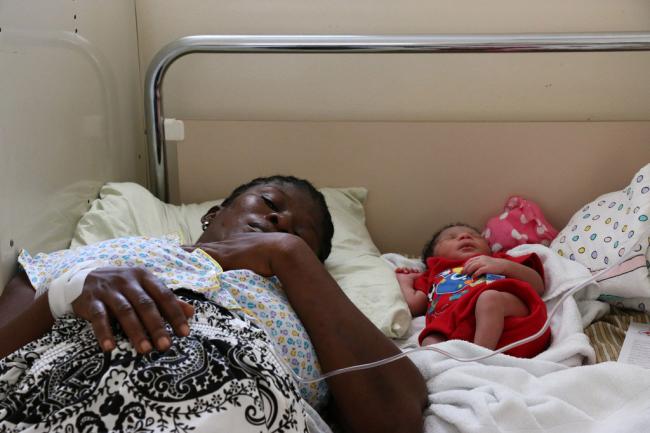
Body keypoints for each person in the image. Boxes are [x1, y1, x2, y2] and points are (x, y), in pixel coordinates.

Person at [0, 175, 426, 433]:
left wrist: (290, 256)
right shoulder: (111, 254)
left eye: (300, 235)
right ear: (214, 213)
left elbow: (398, 420)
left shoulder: (312, 309)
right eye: (271, 204)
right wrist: (70, 290)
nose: (279, 221)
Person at [396, 223, 551, 357]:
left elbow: (538, 286)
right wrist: (405, 280)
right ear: (432, 256)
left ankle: (479, 359)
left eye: (475, 235)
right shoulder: (433, 274)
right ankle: (455, 367)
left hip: (514, 321)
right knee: (430, 340)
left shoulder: (498, 260)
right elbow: (414, 305)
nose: (465, 236)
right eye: (451, 237)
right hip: (457, 329)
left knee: (489, 299)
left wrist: (503, 266)